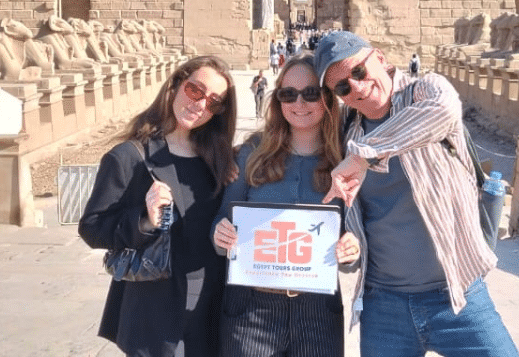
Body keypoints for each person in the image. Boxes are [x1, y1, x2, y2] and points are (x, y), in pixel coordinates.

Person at [313, 32, 519, 357]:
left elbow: (443, 112)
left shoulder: (426, 90)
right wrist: (348, 243)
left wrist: (364, 155)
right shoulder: (347, 133)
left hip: (458, 293)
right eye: (342, 87)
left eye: (359, 71)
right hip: (384, 305)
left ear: (379, 59)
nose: (357, 87)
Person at [78, 55, 238, 357]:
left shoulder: (218, 159)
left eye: (214, 102)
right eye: (195, 91)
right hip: (155, 307)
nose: (201, 105)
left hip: (212, 306)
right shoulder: (129, 156)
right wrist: (144, 219)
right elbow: (92, 227)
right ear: (176, 84)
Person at [212, 54, 361, 357]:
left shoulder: (348, 162)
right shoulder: (251, 153)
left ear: (327, 98)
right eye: (288, 94)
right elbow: (220, 226)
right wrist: (221, 235)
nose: (299, 103)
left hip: (318, 311)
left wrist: (352, 251)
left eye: (311, 93)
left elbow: (353, 247)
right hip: (251, 310)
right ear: (278, 99)